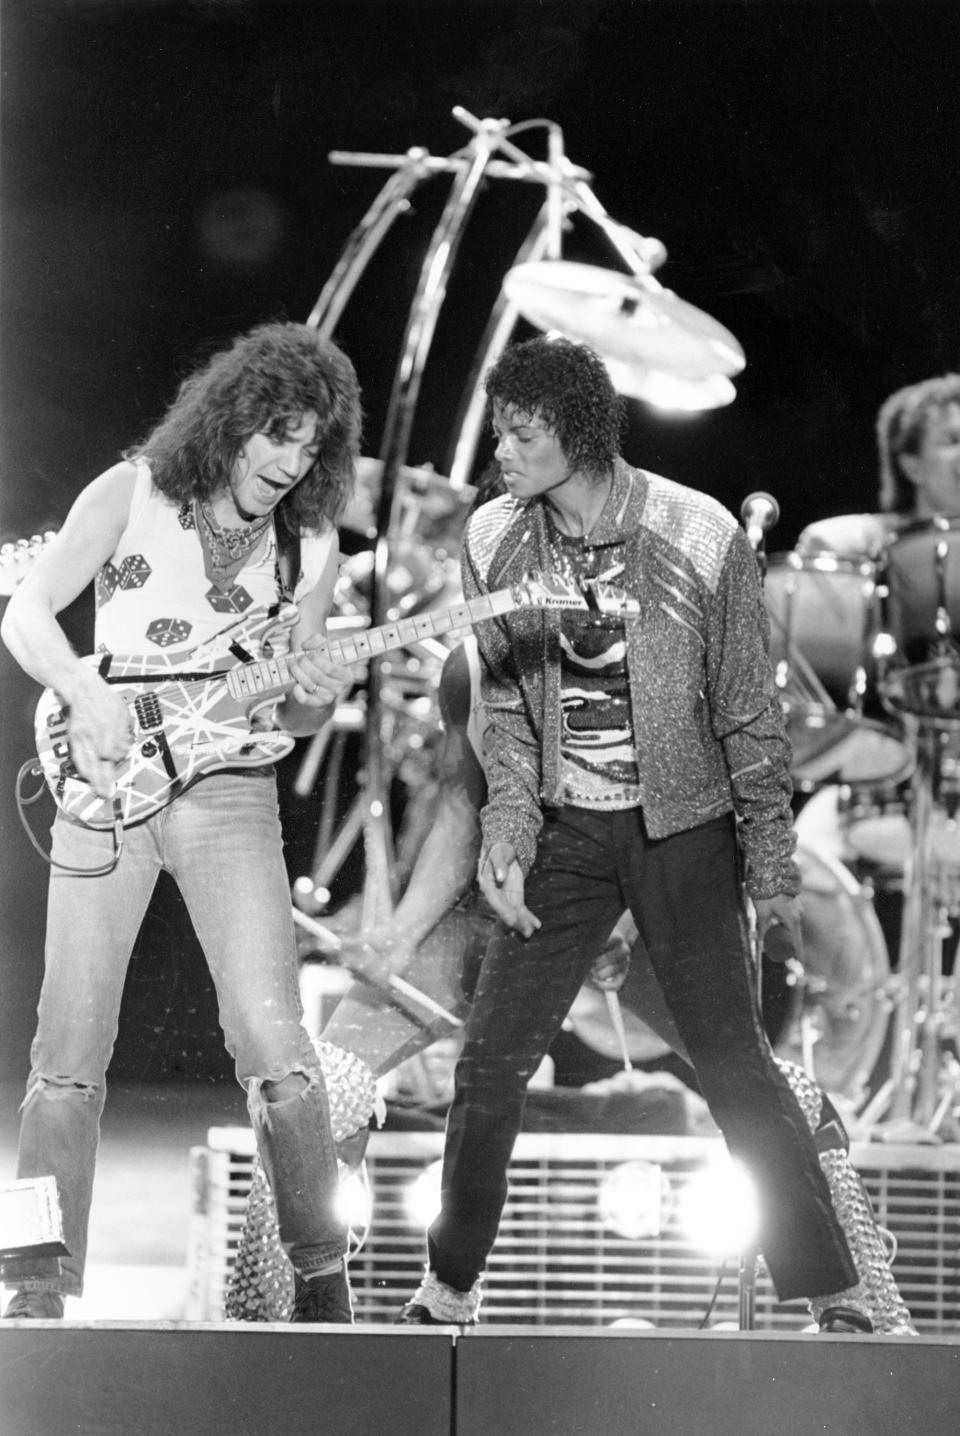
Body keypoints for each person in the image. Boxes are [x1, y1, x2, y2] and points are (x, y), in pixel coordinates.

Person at [382, 333, 877, 1333]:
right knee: (488, 1061)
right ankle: (448, 1286)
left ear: (573, 431)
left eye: (520, 434)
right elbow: (509, 708)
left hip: (683, 830)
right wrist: (509, 830)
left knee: (733, 1059)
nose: (502, 452)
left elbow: (747, 709)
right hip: (567, 828)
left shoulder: (699, 536)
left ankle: (835, 1287)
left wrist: (772, 857)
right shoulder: (495, 536)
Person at [226, 637, 915, 1334]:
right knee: (322, 1081)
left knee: (770, 1085)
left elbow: (698, 816)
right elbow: (465, 807)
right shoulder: (467, 668)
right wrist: (400, 936)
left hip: (638, 898)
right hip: (493, 902)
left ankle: (858, 1309)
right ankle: (288, 1321)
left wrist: (613, 921)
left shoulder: (654, 658)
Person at [0, 321, 363, 1323]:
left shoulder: (313, 541)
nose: (292, 461)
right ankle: (34, 1282)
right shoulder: (130, 492)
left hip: (229, 791)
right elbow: (25, 610)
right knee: (65, 1051)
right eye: (276, 434)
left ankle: (323, 1279)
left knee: (271, 1036)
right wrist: (82, 685)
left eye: (311, 443)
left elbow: (292, 701)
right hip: (108, 775)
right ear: (232, 419)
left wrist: (320, 691)